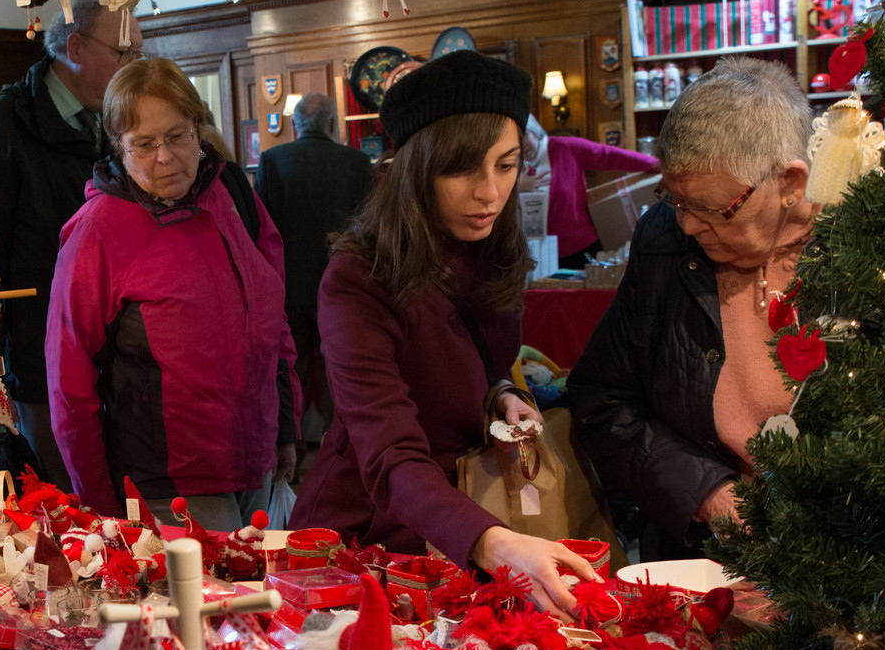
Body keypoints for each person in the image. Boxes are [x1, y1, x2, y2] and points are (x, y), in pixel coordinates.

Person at [289, 52, 600, 616]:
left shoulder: (492, 249)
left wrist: (501, 394)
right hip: (368, 537)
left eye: (506, 166)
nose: (489, 192)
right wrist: (495, 542)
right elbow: (390, 455)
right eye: (463, 169)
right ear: (415, 167)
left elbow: (475, 364)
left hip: (460, 525)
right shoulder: (359, 279)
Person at [568, 56, 817, 559]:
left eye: (708, 209)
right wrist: (706, 492)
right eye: (674, 200)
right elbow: (602, 399)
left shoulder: (873, 250)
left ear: (791, 182)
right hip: (701, 557)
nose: (686, 225)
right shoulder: (664, 239)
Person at [47, 58, 297, 531]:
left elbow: (273, 321)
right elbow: (69, 383)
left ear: (198, 129)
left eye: (178, 136)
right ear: (118, 148)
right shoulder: (98, 231)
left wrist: (285, 427)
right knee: (216, 605)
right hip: (170, 484)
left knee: (261, 599)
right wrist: (102, 507)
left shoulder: (233, 194)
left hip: (255, 463)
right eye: (144, 144)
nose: (165, 157)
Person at [0, 0, 143, 487]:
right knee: (68, 503)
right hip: (42, 360)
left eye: (138, 55)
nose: (133, 67)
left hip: (123, 355)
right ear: (75, 46)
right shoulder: (4, 125)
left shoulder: (120, 121)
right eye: (123, 53)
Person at [253, 92, 374, 452]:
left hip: (288, 289)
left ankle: (291, 445)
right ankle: (342, 445)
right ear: (332, 124)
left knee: (292, 367)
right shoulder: (356, 162)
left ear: (294, 126)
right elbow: (369, 227)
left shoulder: (272, 160)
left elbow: (262, 230)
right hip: (344, 285)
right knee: (338, 367)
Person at [522, 116, 661, 269]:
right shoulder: (511, 164)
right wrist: (518, 188)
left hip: (581, 249)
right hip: (535, 256)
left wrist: (657, 165)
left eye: (525, 135)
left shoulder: (565, 147)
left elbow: (610, 155)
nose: (522, 144)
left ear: (535, 131)